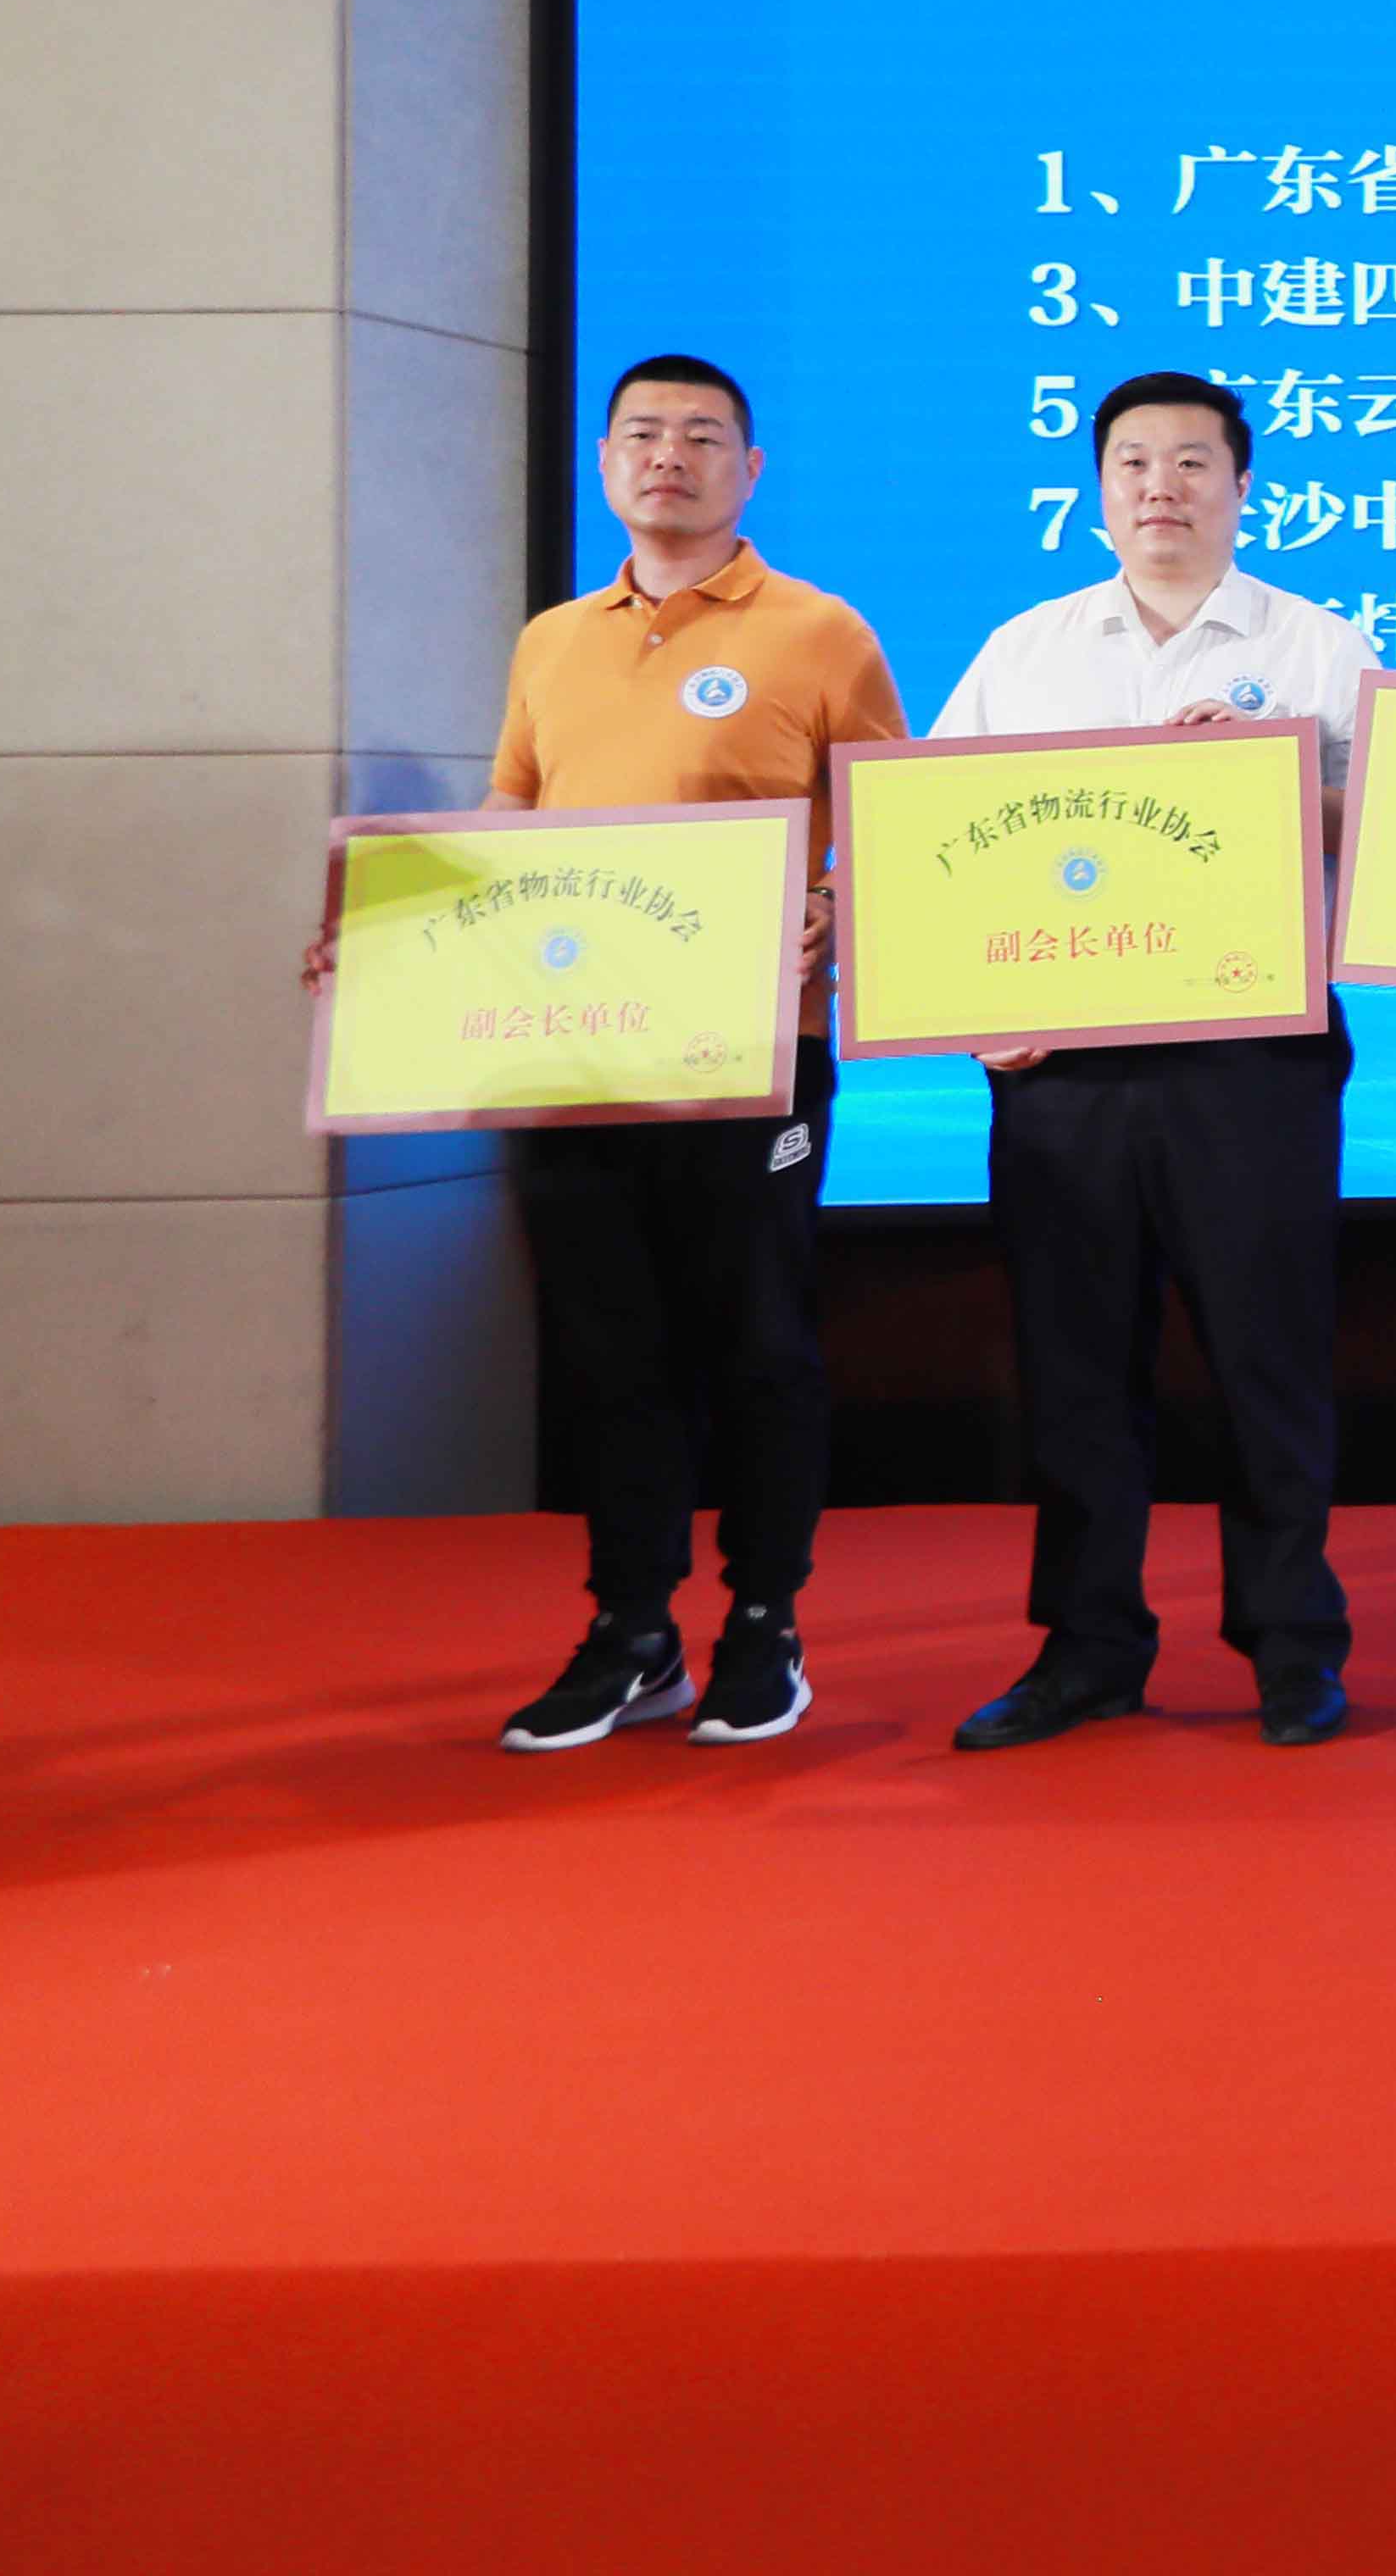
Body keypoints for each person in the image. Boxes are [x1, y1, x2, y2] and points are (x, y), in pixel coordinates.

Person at [922, 369, 1382, 1752]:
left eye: (1191, 461)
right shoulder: (1027, 650)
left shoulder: (1319, 646)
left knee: (1267, 1358)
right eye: (1133, 462)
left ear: (1242, 487)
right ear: (1099, 490)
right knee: (1073, 1363)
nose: (1161, 486)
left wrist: (1281, 780)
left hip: (1253, 1059)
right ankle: (1088, 1648)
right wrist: (971, 1011)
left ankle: (1291, 1646)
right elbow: (938, 839)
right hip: (1063, 1066)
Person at [450, 357, 906, 1753]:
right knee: (608, 1349)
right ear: (605, 463)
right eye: (643, 434)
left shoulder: (821, 631)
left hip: (756, 1052)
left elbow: (893, 827)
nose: (670, 456)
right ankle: (633, 1631)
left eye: (703, 436)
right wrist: (398, 935)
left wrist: (840, 903)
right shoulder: (552, 641)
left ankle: (765, 1624)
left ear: (749, 471)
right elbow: (508, 824)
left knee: (760, 1342)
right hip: (578, 1053)